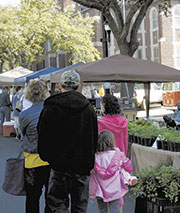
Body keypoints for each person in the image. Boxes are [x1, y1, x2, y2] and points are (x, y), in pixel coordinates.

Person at [38, 70, 98, 212]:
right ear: (78, 86)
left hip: (60, 166)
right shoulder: (88, 109)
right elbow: (94, 138)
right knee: (79, 206)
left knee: (57, 204)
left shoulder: (51, 107)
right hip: (82, 167)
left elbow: (43, 136)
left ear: (60, 85)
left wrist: (48, 158)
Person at [19, 80, 51, 213]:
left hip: (31, 161)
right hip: (51, 160)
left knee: (32, 199)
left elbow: (23, 133)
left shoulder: (24, 114)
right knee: (51, 198)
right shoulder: (52, 111)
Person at [89, 130, 133, 213]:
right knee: (115, 209)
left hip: (99, 190)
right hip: (115, 189)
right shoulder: (118, 154)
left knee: (102, 210)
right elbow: (129, 167)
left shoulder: (95, 156)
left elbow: (90, 171)